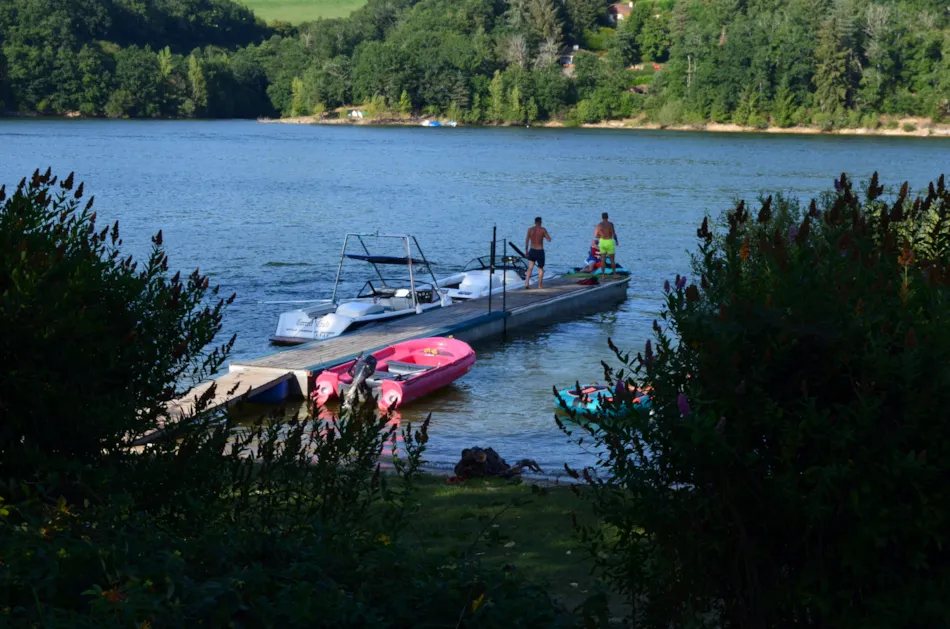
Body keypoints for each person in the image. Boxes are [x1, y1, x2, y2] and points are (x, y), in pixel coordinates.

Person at [525, 216, 551, 289]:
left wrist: (526, 251)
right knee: (540, 268)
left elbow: (527, 241)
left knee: (530, 267)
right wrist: (546, 236)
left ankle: (526, 283)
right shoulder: (543, 230)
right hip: (540, 251)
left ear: (535, 222)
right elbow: (549, 239)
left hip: (532, 250)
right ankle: (539, 285)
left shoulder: (530, 230)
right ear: (540, 222)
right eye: (541, 221)